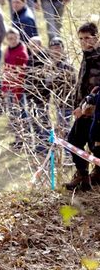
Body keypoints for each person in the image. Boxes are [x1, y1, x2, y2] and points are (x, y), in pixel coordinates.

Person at [64, 22, 100, 191]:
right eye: (81, 39)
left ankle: (97, 174)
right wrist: (76, 104)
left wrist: (85, 105)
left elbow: (96, 89)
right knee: (74, 140)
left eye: (87, 38)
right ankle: (82, 175)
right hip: (83, 110)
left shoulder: (98, 58)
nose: (84, 42)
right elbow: (82, 84)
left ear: (96, 37)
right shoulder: (86, 57)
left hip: (95, 112)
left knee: (96, 144)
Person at [1, 28, 30, 147]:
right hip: (8, 86)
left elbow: (21, 75)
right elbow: (6, 69)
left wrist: (17, 93)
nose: (12, 41)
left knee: (21, 114)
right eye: (9, 39)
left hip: (18, 89)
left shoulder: (22, 52)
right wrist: (4, 88)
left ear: (19, 37)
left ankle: (24, 140)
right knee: (13, 115)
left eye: (14, 38)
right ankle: (17, 139)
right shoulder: (7, 50)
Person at [47, 37, 77, 138]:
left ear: (63, 49)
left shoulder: (67, 64)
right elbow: (48, 84)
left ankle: (69, 153)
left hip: (68, 103)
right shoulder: (52, 65)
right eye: (53, 48)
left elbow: (68, 83)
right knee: (61, 130)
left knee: (65, 131)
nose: (55, 51)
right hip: (58, 103)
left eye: (58, 48)